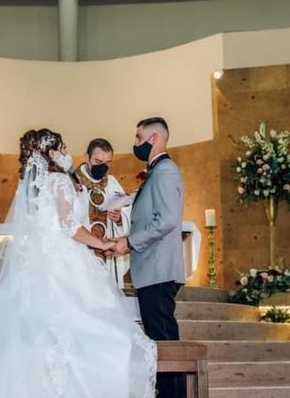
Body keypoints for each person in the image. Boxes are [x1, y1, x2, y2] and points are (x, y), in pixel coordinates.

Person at [0, 128, 157, 398]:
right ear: (52, 153)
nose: (68, 154)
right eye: (64, 149)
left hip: (35, 262)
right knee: (87, 334)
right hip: (63, 261)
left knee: (29, 337)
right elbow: (69, 226)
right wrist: (104, 243)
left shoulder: (32, 184)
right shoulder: (60, 181)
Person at [108, 117, 186, 398]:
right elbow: (150, 216)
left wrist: (128, 242)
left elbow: (165, 220)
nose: (136, 143)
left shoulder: (165, 172)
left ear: (153, 139)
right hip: (153, 269)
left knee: (165, 342)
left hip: (159, 270)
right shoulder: (157, 172)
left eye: (139, 138)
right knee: (159, 341)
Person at [74, 138, 131, 288]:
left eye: (107, 163)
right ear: (87, 158)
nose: (103, 167)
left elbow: (126, 209)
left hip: (107, 253)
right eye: (98, 162)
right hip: (81, 251)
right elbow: (67, 219)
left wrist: (120, 218)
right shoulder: (73, 181)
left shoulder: (111, 182)